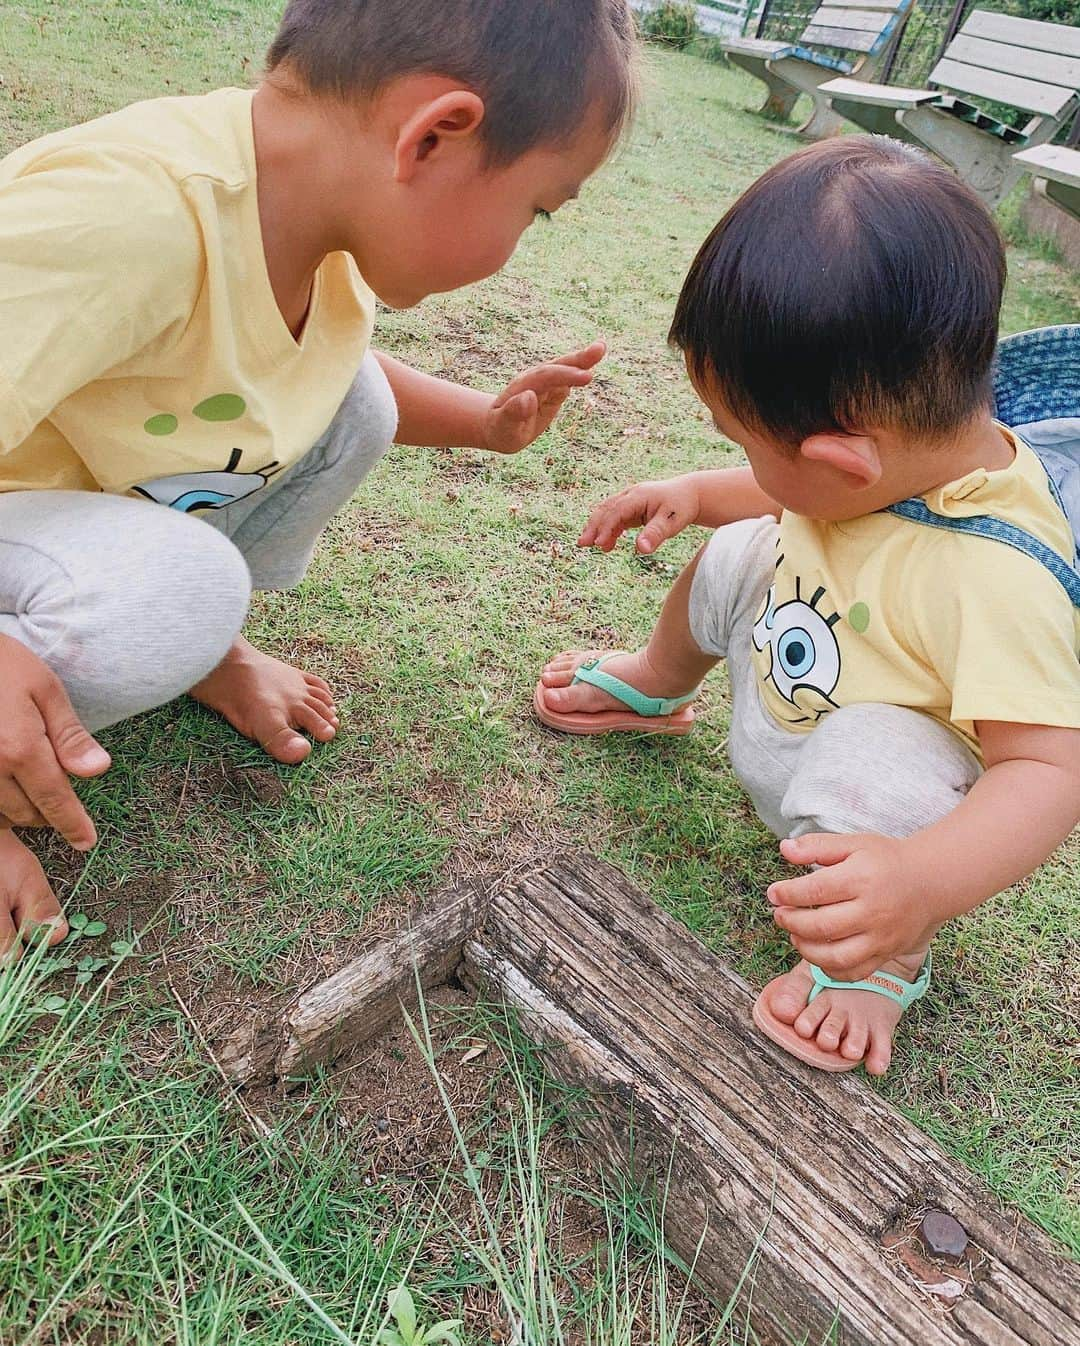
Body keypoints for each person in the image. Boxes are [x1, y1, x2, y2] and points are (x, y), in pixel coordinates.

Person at [0, 0, 638, 956]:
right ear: (434, 135)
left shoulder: (307, 212)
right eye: (538, 209)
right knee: (186, 589)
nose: (524, 240)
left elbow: (322, 369)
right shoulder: (127, 215)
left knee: (355, 412)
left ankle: (201, 654)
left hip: (89, 513)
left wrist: (485, 425)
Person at [535, 137, 1080, 1076]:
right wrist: (705, 494)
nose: (745, 467)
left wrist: (920, 882)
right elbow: (800, 494)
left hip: (872, 769)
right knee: (737, 550)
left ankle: (880, 963)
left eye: (745, 448)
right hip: (809, 652)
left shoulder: (1002, 578)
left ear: (840, 460)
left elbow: (1047, 772)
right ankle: (656, 686)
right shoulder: (888, 460)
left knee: (882, 765)